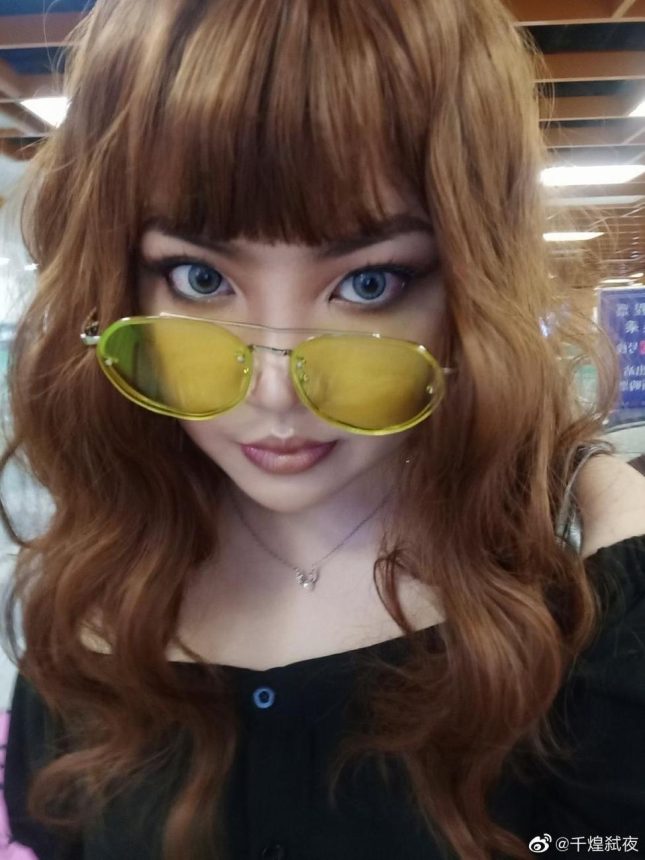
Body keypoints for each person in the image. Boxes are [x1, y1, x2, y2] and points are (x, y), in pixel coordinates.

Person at [1, 0, 645, 858]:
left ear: (468, 290)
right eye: (198, 278)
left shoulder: (580, 604)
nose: (273, 394)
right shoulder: (98, 580)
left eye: (369, 284)